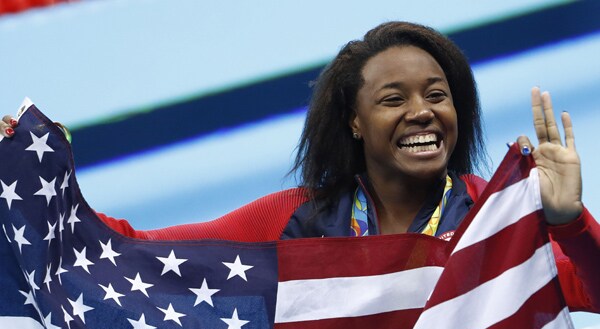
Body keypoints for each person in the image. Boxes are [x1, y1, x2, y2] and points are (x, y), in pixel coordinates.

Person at [2, 21, 599, 311]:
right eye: (394, 99)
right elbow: (138, 255)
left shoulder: (505, 216)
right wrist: (38, 188)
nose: (422, 113)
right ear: (354, 122)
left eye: (438, 96)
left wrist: (570, 221)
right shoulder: (293, 220)